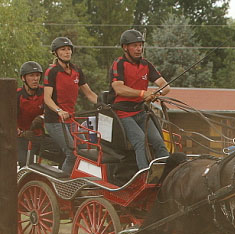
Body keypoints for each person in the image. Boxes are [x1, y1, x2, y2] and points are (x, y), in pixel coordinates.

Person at [110, 29, 170, 170]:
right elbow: (119, 88)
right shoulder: (119, 64)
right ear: (125, 47)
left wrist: (157, 92)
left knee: (159, 142)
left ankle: (168, 173)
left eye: (140, 45)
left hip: (141, 113)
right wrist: (143, 94)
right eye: (135, 45)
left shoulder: (146, 64)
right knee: (140, 142)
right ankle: (144, 175)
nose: (139, 49)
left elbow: (166, 86)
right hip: (123, 115)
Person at [43, 36, 98, 176]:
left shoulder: (76, 71)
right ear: (56, 53)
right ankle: (62, 185)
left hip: (70, 120)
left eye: (69, 49)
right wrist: (59, 110)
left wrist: (107, 105)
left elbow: (89, 94)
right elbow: (46, 98)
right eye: (63, 49)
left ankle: (76, 180)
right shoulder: (52, 72)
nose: (67, 52)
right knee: (72, 153)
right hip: (55, 121)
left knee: (85, 150)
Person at [16, 61, 62, 167]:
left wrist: (42, 117)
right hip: (23, 137)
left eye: (37, 75)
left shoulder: (45, 93)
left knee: (64, 149)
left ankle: (62, 180)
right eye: (31, 75)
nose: (35, 79)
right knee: (25, 163)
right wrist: (20, 132)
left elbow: (53, 109)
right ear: (23, 78)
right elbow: (8, 119)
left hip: (39, 135)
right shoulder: (17, 95)